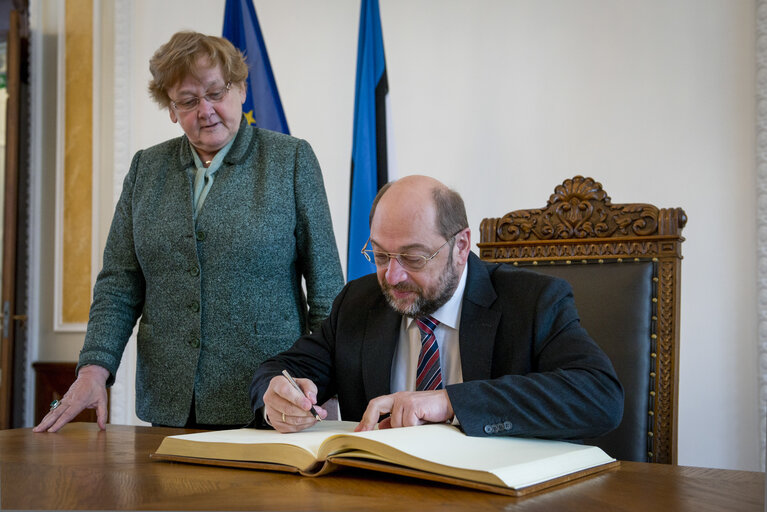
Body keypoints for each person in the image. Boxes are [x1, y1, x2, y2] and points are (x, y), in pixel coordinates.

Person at [34, 31, 344, 432]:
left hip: (270, 404)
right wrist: (94, 370)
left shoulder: (291, 160)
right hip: (170, 405)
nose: (206, 110)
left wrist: (325, 382)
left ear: (241, 89)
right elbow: (119, 285)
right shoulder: (146, 169)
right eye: (188, 100)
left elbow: (326, 291)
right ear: (171, 109)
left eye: (216, 92)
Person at [250, 175, 623, 439]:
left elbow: (599, 395)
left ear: (461, 246)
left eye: (413, 258)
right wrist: (278, 396)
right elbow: (280, 371)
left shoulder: (533, 301)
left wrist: (450, 402)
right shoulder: (358, 302)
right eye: (380, 255)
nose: (392, 277)